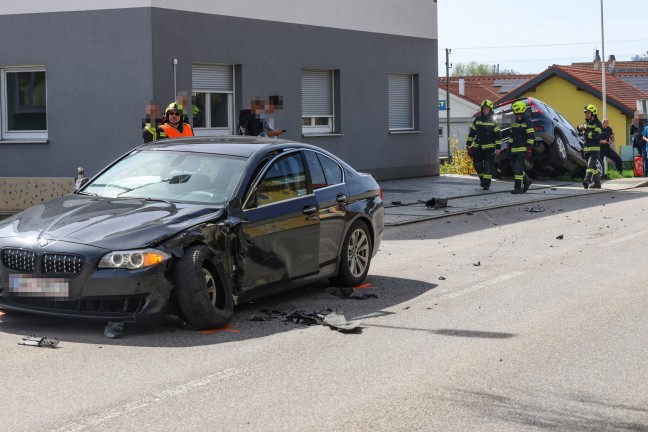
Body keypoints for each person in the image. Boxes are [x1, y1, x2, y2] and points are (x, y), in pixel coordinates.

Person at [466, 99, 502, 190]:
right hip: (478, 147)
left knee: (488, 166)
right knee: (477, 165)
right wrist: (468, 144)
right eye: (484, 108)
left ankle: (486, 184)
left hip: (489, 149)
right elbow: (472, 133)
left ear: (490, 109)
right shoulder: (477, 120)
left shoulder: (494, 121)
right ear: (482, 109)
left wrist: (498, 148)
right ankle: (483, 179)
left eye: (487, 108)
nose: (485, 110)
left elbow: (498, 136)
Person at [508, 101, 534, 194]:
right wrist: (509, 146)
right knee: (514, 168)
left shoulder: (527, 122)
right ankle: (527, 180)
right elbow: (512, 135)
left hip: (523, 149)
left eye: (515, 110)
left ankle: (518, 188)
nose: (514, 113)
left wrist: (529, 149)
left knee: (518, 168)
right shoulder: (514, 121)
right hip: (514, 149)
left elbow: (531, 136)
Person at [577, 104, 602, 189]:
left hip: (594, 149)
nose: (586, 114)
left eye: (588, 112)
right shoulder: (586, 122)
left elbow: (596, 135)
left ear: (593, 113)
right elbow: (582, 133)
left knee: (590, 166)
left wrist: (585, 132)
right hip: (586, 149)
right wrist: (579, 128)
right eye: (586, 113)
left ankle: (586, 180)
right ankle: (597, 184)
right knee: (593, 168)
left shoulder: (598, 123)